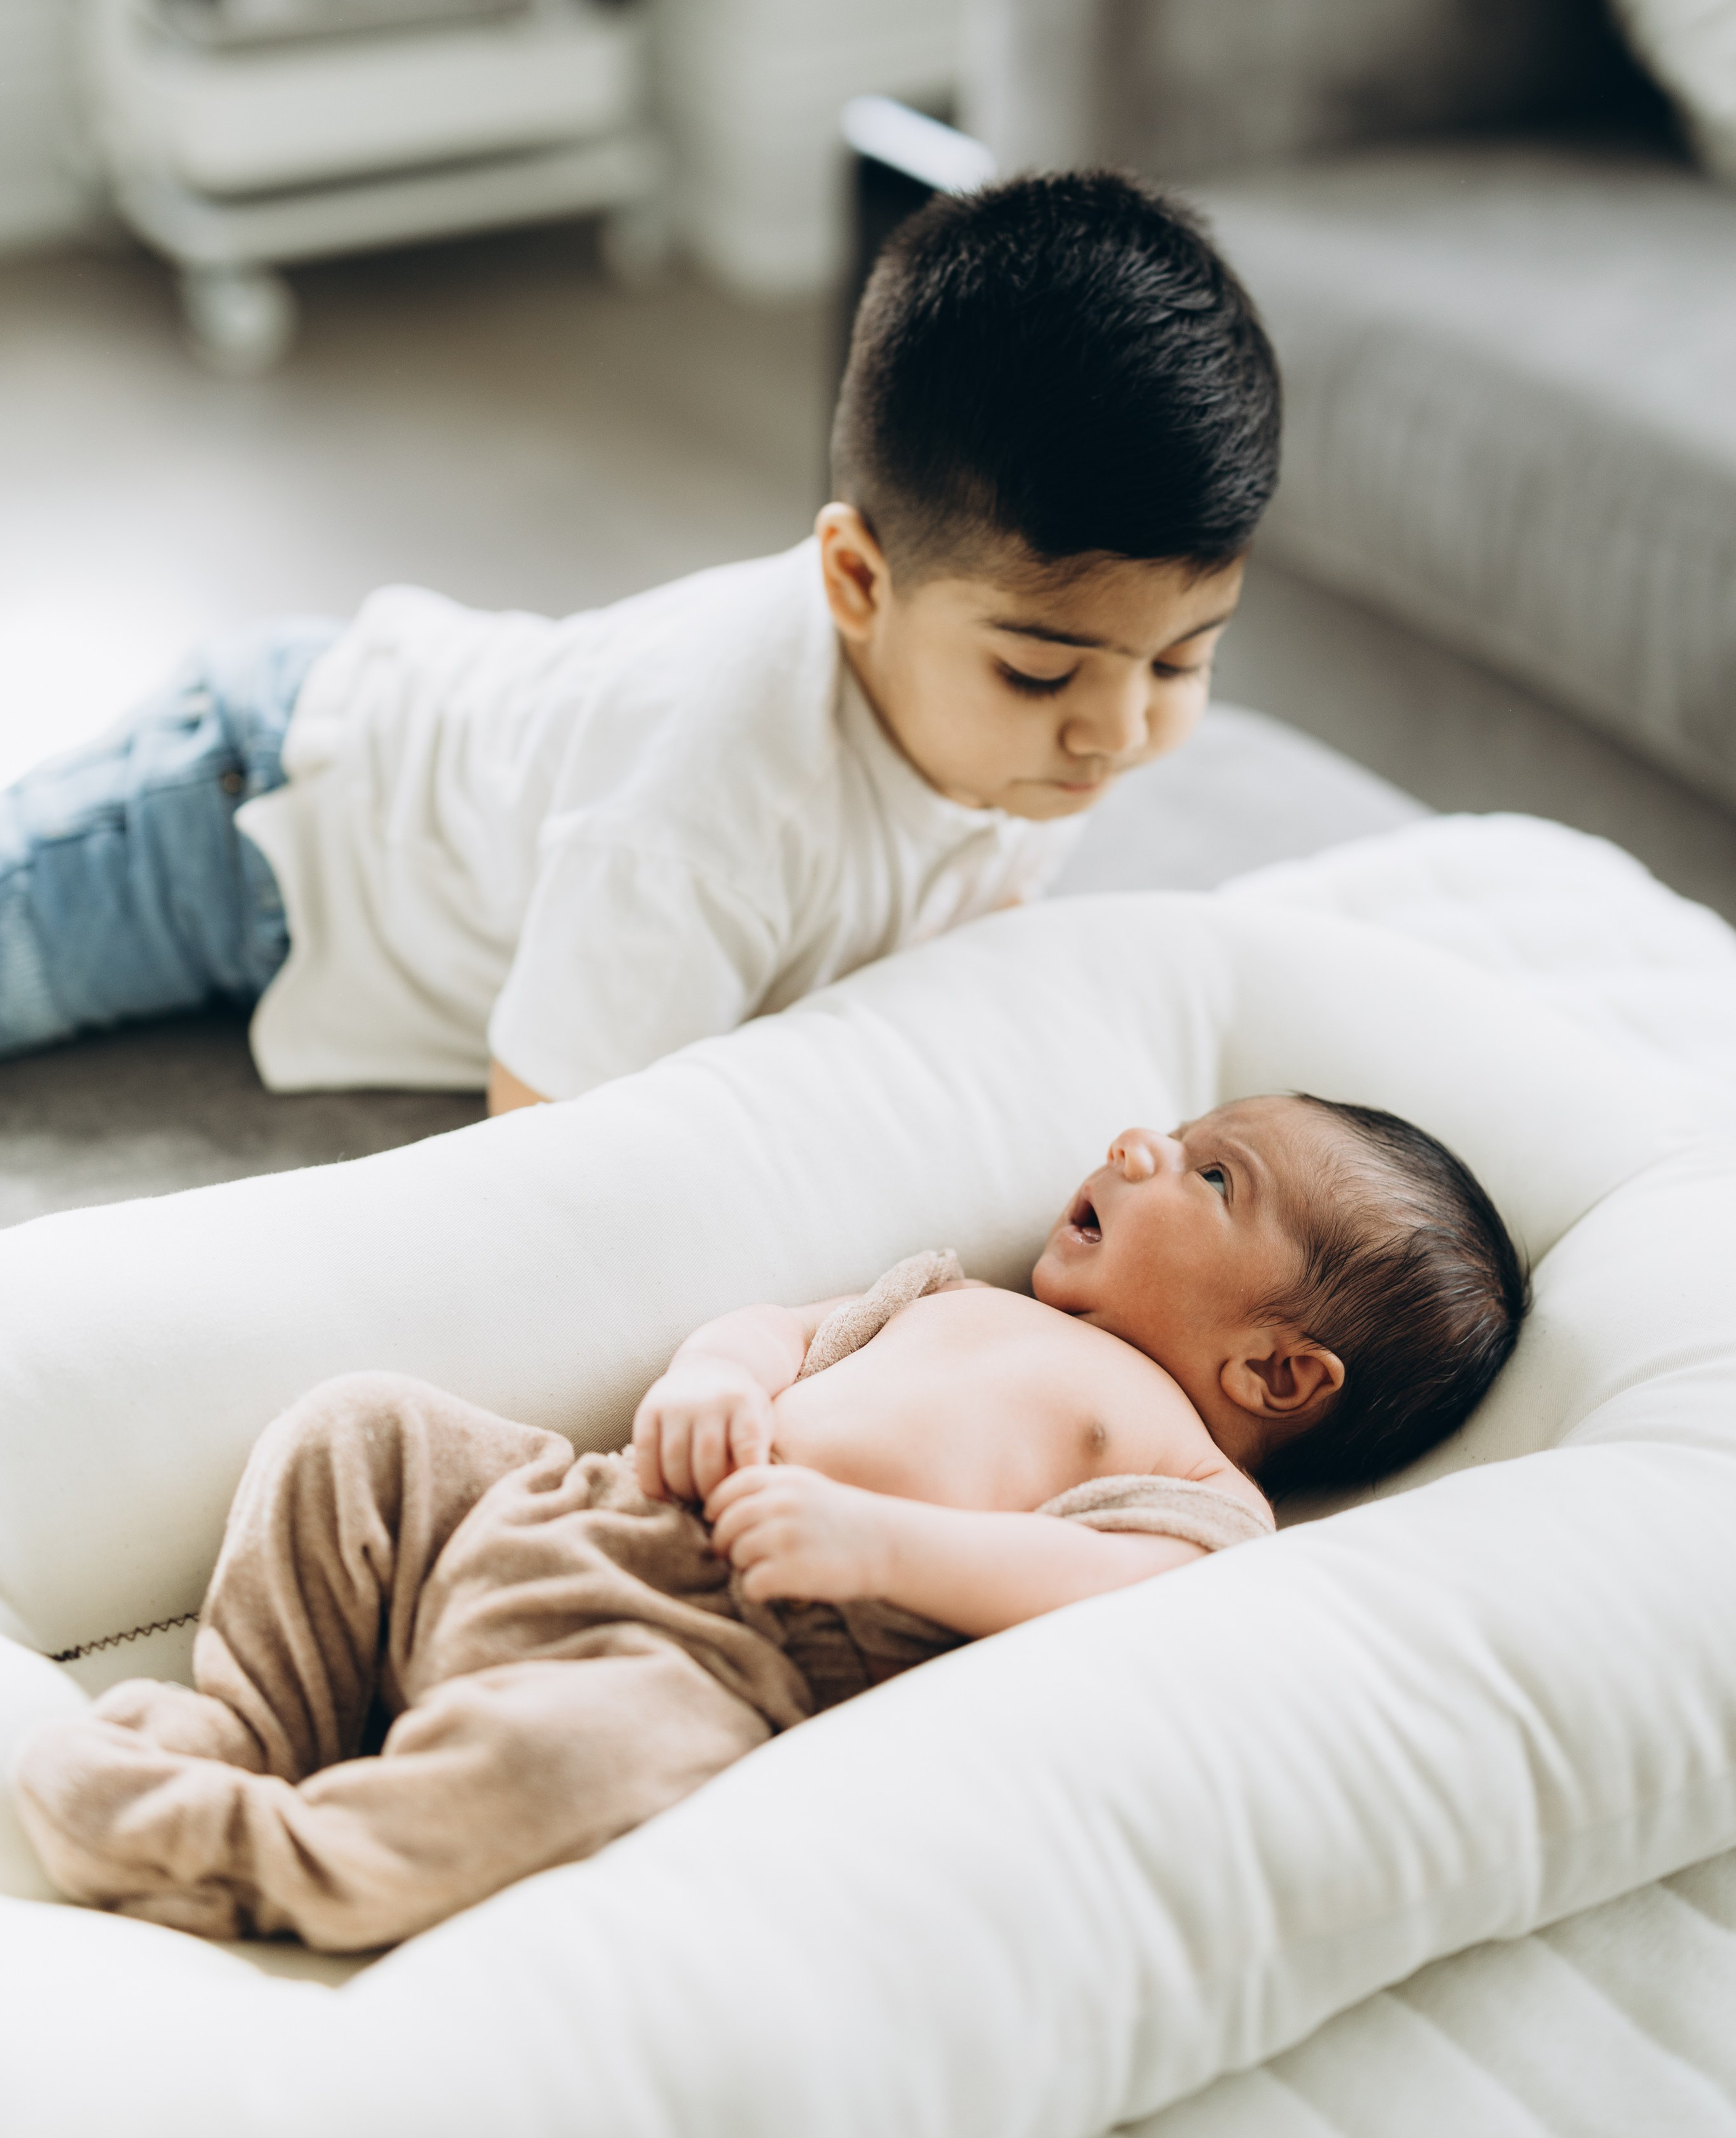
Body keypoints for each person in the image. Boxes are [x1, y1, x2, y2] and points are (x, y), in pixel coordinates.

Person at [16, 1094, 1528, 1952]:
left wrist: (881, 1548)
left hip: (720, 1654)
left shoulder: (1197, 1486)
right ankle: (254, 1723)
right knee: (362, 1427)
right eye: (1175, 1130)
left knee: (570, 1768)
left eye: (1210, 1176)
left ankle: (273, 1853)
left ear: (1278, 1371)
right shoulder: (954, 1292)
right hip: (578, 1502)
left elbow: (1109, 1588)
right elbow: (780, 1327)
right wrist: (715, 1374)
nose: (1138, 1146)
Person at [0, 174, 1280, 1104]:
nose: (1118, 732)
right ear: (856, 579)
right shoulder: (699, 811)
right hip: (253, 816)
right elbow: (548, 1140)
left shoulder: (1039, 726)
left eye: (1182, 661)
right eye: (1040, 672)